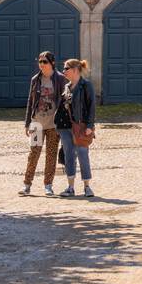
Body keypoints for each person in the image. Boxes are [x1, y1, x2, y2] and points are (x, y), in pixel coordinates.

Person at [20, 51, 66, 196]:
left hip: (53, 124)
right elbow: (30, 101)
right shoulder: (35, 79)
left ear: (52, 63)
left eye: (44, 61)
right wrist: (27, 122)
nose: (41, 64)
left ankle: (48, 185)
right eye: (39, 62)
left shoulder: (60, 79)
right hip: (36, 123)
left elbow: (65, 101)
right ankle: (27, 185)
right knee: (34, 154)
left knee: (51, 155)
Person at [56, 57, 96, 198]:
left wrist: (90, 125)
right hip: (65, 126)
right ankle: (70, 187)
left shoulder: (86, 85)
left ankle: (87, 187)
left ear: (74, 70)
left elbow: (91, 107)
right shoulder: (66, 87)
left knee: (83, 154)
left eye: (66, 68)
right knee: (68, 156)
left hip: (81, 126)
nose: (63, 71)